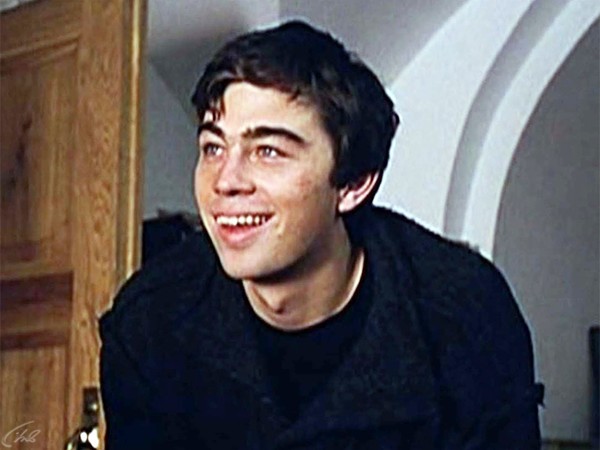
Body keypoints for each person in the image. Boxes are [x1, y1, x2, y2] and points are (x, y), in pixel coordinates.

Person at [100, 21, 543, 449]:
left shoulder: (464, 315)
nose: (225, 181)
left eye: (268, 151)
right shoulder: (150, 322)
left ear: (352, 184)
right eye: (213, 147)